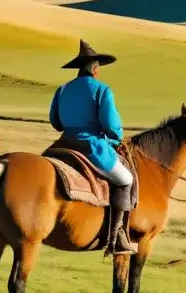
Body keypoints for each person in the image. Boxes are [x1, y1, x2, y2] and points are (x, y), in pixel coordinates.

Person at [48, 40, 138, 255]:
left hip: (62, 144)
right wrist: (117, 136)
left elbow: (55, 122)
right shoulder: (102, 90)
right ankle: (117, 237)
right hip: (92, 147)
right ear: (96, 70)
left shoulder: (62, 90)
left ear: (79, 69)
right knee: (126, 180)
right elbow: (111, 126)